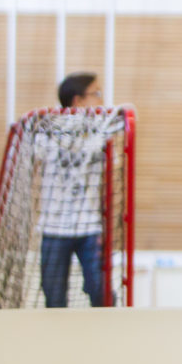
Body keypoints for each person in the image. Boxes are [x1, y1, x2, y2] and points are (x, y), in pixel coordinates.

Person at [39, 72, 106, 308]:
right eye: (96, 94)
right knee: (54, 297)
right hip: (54, 227)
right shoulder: (47, 129)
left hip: (89, 227)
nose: (101, 100)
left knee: (100, 291)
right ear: (78, 100)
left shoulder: (103, 129)